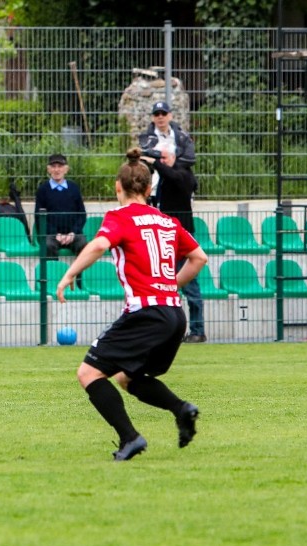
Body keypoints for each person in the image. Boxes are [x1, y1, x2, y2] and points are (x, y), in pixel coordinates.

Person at [56, 147, 208, 462]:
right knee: (127, 377)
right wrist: (170, 286)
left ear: (118, 187)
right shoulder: (167, 221)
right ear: (150, 189)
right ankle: (182, 410)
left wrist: (69, 274)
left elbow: (99, 244)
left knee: (89, 373)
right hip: (174, 315)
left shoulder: (119, 217)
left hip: (146, 313)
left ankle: (131, 438)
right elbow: (199, 258)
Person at [146, 146, 206, 343]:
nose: (160, 161)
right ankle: (171, 330)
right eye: (158, 158)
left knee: (189, 284)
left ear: (173, 157)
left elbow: (175, 179)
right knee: (166, 284)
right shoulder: (161, 176)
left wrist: (154, 162)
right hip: (166, 236)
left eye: (163, 157)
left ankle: (197, 329)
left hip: (181, 236)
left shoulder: (183, 174)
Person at [139, 101, 196, 203]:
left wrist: (170, 160)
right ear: (152, 118)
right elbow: (146, 154)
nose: (160, 117)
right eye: (157, 114)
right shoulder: (146, 137)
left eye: (164, 114)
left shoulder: (182, 136)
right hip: (156, 181)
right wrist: (166, 157)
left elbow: (190, 158)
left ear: (170, 116)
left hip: (178, 181)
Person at [34, 153, 88, 258]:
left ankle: (79, 274)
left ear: (66, 169)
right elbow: (39, 216)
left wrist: (73, 232)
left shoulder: (74, 188)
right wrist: (55, 234)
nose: (57, 170)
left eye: (60, 166)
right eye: (53, 167)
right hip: (51, 235)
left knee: (83, 244)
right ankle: (52, 274)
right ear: (48, 169)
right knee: (48, 245)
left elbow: (81, 214)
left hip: (73, 234)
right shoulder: (42, 190)